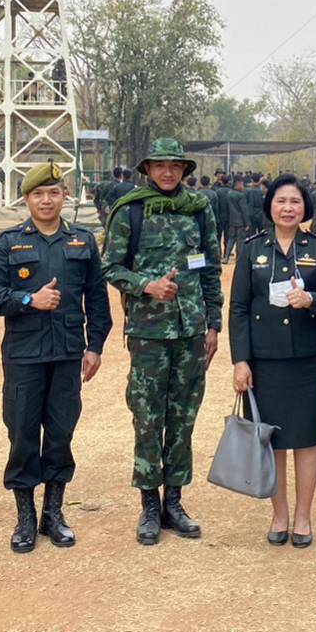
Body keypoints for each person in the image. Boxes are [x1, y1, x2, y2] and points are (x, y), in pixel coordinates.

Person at [0, 162, 112, 553]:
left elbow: (97, 298)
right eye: (38, 194)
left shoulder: (82, 241)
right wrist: (28, 300)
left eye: (54, 192)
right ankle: (25, 516)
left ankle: (53, 512)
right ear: (26, 199)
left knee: (60, 433)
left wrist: (95, 345)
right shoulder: (7, 243)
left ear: (65, 196)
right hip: (24, 355)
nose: (47, 200)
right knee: (22, 433)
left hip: (67, 353)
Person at [102, 138, 223, 545]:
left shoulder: (199, 210)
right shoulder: (130, 211)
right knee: (148, 417)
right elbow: (110, 267)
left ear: (184, 170)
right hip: (149, 334)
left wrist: (213, 324)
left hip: (191, 332)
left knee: (184, 417)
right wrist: (146, 285)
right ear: (148, 170)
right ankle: (149, 505)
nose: (168, 172)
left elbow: (210, 269)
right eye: (160, 166)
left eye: (175, 166)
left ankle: (175, 501)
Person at [229, 175, 316, 547]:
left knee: (306, 438)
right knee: (271, 437)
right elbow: (239, 308)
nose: (288, 208)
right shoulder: (252, 249)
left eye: (295, 201)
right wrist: (241, 360)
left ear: (304, 207)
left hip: (307, 357)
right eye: (281, 201)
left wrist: (311, 300)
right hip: (265, 359)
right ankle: (279, 515)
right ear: (270, 206)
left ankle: (303, 517)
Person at [224, 177, 249, 262]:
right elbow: (244, 210)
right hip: (240, 221)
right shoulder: (241, 195)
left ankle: (226, 257)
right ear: (237, 184)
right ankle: (239, 258)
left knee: (231, 239)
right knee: (240, 240)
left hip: (231, 221)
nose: (243, 186)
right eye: (241, 184)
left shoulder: (229, 194)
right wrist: (247, 223)